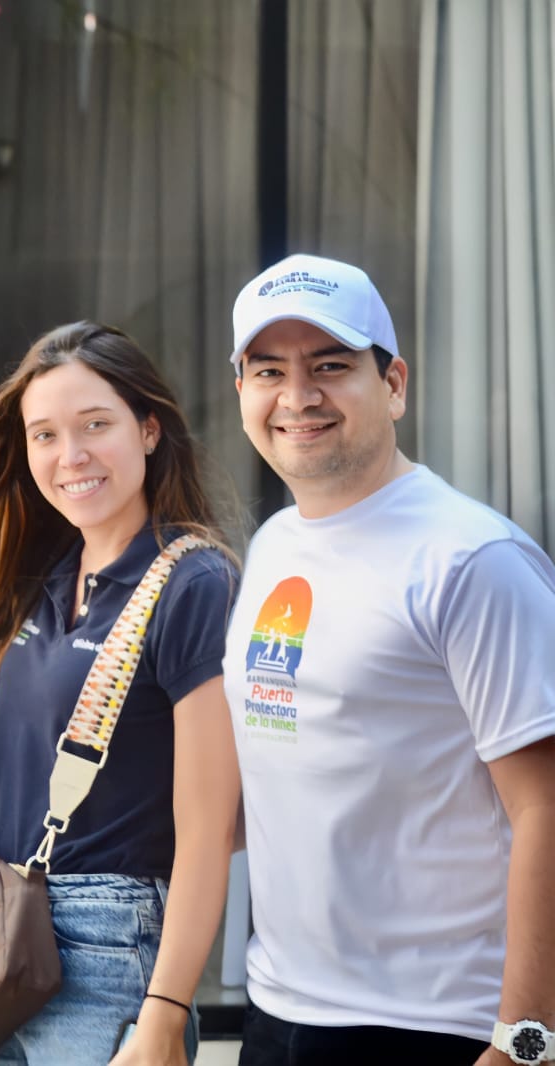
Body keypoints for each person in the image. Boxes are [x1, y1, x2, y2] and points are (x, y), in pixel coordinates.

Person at [224, 254, 555, 1066]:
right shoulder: (273, 545)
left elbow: (546, 808)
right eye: (269, 371)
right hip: (278, 1009)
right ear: (242, 392)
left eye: (331, 366)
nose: (298, 397)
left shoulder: (472, 559)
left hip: (438, 1027)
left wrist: (527, 1042)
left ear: (395, 383)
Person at [0, 322, 240, 1065]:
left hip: (111, 949)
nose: (69, 456)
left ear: (148, 429)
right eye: (44, 434)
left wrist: (166, 1010)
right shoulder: (40, 573)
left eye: (94, 425)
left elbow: (208, 828)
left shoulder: (193, 582)